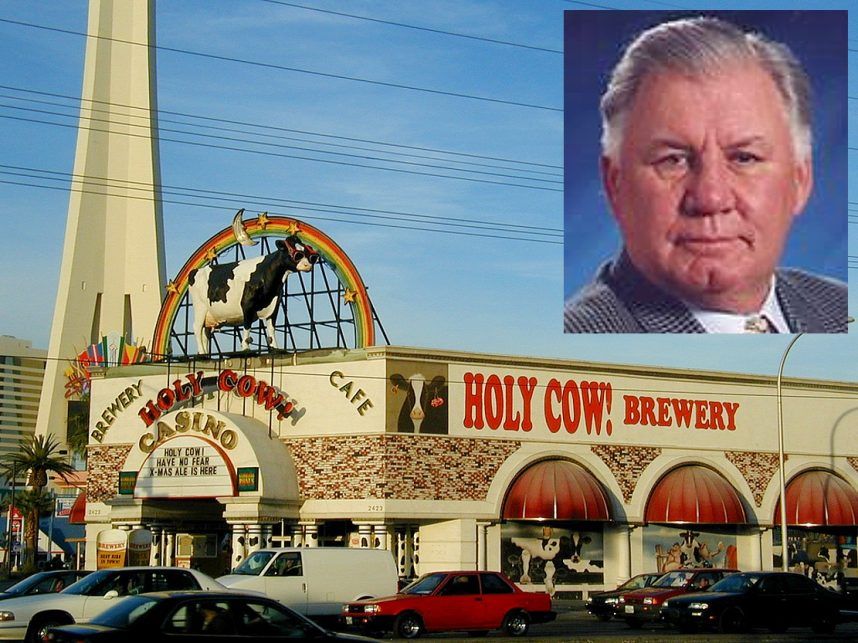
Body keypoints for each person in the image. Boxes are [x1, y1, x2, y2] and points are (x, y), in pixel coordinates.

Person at [563, 16, 847, 333]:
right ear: (615, 184)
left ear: (800, 179)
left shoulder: (842, 309)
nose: (711, 197)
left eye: (744, 158)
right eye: (673, 160)